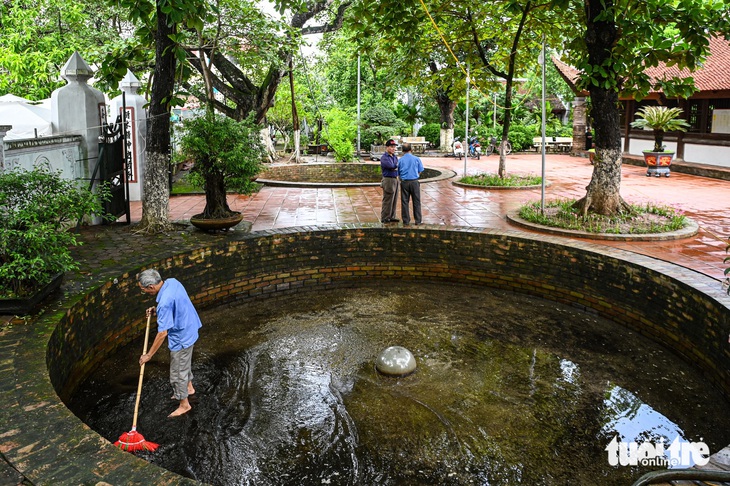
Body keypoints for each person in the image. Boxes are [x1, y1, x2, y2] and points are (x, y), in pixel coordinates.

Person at [138, 269, 202, 417]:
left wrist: (148, 355)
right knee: (184, 363)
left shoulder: (164, 303)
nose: (144, 292)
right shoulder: (173, 282)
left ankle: (184, 405)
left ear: (151, 287)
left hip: (181, 338)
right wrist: (157, 311)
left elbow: (162, 333)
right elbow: (175, 304)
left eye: (143, 290)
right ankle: (189, 388)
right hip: (190, 327)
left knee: (177, 373)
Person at [397, 142, 424, 225]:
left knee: (404, 201)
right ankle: (418, 220)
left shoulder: (400, 160)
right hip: (414, 182)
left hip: (404, 182)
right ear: (411, 150)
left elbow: (398, 173)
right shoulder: (416, 159)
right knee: (416, 201)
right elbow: (420, 171)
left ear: (402, 150)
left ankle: (406, 220)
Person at [380, 139, 399, 223]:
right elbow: (391, 166)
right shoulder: (384, 157)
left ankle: (392, 216)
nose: (393, 148)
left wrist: (396, 167)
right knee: (388, 199)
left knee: (394, 198)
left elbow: (397, 166)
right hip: (388, 180)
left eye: (394, 147)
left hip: (395, 179)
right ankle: (385, 217)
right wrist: (396, 166)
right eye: (391, 147)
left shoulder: (394, 157)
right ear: (387, 147)